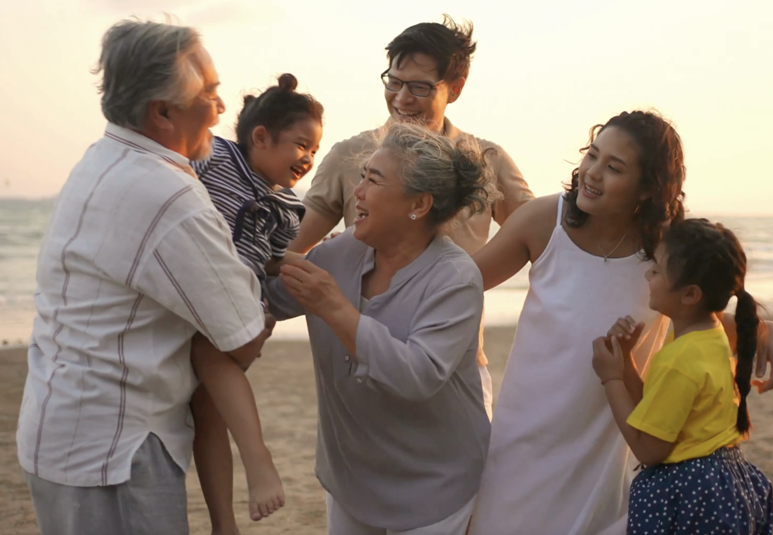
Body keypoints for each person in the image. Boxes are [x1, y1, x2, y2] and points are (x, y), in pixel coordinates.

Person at [468, 110, 773, 535]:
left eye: (614, 167)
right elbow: (458, 288)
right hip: (527, 436)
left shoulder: (666, 246)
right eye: (592, 156)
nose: (592, 173)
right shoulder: (545, 220)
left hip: (616, 442)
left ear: (648, 187)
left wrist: (772, 332)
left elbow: (702, 320)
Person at [15, 20, 274, 535]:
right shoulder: (169, 196)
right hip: (117, 451)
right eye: (210, 94)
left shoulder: (102, 158)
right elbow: (243, 334)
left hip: (58, 424)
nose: (222, 110)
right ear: (162, 112)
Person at [289, 15, 534, 419]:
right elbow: (296, 249)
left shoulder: (485, 160)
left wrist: (462, 282)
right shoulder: (350, 155)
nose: (402, 98)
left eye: (420, 87)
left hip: (456, 362)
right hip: (362, 354)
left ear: (455, 88)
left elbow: (536, 237)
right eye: (394, 82)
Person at [269, 122, 493, 534]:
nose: (357, 193)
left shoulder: (455, 278)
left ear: (419, 205)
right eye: (362, 177)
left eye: (374, 180)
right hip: (351, 481)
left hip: (435, 487)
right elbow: (268, 298)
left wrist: (335, 307)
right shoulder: (340, 253)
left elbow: (416, 376)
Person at [187, 72, 323, 529]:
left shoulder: (289, 206)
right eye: (302, 145)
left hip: (236, 305)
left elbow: (272, 264)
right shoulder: (213, 157)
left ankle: (226, 520)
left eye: (314, 151)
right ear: (260, 137)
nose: (308, 158)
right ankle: (253, 464)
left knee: (210, 409)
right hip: (191, 290)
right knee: (208, 374)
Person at [592, 218, 773, 533]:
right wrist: (626, 363)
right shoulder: (709, 337)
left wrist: (611, 379)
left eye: (657, 270)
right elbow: (656, 411)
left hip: (690, 493)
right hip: (725, 481)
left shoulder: (679, 360)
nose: (648, 275)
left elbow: (649, 449)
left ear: (690, 294)